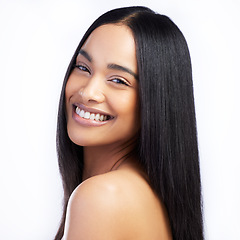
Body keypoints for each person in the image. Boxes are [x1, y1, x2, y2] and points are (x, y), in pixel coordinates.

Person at [55, 6, 204, 240]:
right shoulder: (145, 191)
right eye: (83, 67)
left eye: (118, 80)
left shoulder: (102, 197)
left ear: (156, 100)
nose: (88, 92)